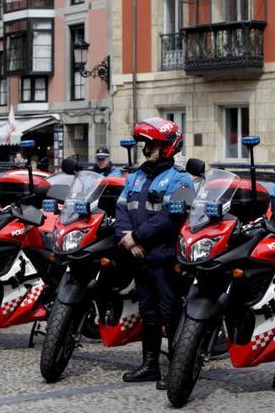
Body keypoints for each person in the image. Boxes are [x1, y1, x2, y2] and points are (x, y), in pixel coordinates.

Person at [115, 118, 193, 390]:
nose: (147, 149)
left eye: (153, 145)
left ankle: (176, 369)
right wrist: (126, 238)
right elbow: (121, 208)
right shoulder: (135, 176)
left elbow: (171, 219)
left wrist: (137, 236)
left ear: (169, 147)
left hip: (165, 258)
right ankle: (150, 366)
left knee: (170, 313)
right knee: (148, 313)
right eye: (146, 144)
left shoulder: (183, 180)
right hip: (139, 257)